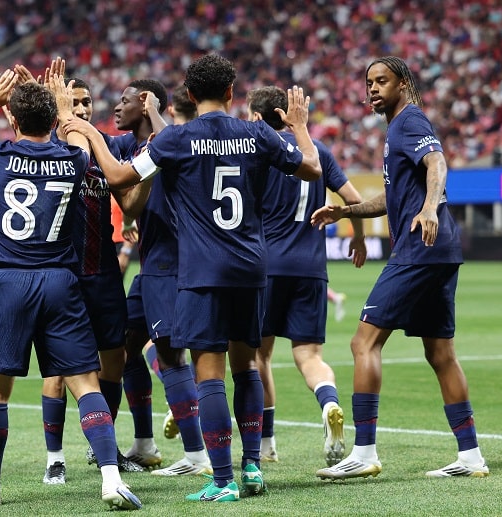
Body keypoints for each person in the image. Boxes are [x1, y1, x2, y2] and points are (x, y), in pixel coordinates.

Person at [64, 52, 322, 502]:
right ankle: (252, 467)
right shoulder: (258, 133)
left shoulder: (177, 139)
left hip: (203, 270)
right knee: (247, 367)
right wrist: (299, 125)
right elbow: (312, 167)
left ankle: (222, 480)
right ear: (231, 92)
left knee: (210, 375)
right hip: (252, 266)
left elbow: (119, 177)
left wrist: (88, 134)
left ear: (188, 93)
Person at [0, 63, 141, 509]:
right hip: (61, 282)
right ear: (53, 118)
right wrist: (63, 109)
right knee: (86, 384)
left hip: (10, 282)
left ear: (12, 119)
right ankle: (111, 480)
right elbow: (77, 136)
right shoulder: (73, 159)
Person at [311, 56, 489, 480]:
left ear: (403, 83)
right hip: (439, 251)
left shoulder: (409, 121)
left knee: (363, 343)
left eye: (382, 81)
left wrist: (429, 208)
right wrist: (346, 211)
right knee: (440, 352)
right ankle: (471, 457)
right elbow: (389, 199)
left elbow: (437, 163)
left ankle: (364, 452)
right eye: (369, 82)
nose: (373, 88)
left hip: (418, 250)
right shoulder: (397, 128)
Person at [246, 85, 366, 466]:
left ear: (257, 118)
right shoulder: (319, 152)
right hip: (312, 269)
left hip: (266, 267)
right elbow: (355, 201)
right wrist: (359, 238)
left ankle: (266, 444)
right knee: (310, 355)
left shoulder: (257, 152)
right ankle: (328, 403)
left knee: (259, 356)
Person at [36, 75, 144, 483]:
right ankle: (54, 458)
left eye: (86, 102)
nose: (81, 109)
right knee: (58, 371)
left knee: (114, 360)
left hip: (103, 273)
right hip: (63, 275)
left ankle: (104, 448)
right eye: (73, 102)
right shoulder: (45, 150)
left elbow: (142, 149)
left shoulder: (106, 146)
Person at [115, 81, 212, 477]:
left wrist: (156, 110)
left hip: (172, 264)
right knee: (124, 345)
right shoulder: (135, 147)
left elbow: (170, 142)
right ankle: (144, 443)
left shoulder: (173, 142)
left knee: (171, 355)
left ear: (144, 103)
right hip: (150, 266)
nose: (116, 107)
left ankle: (197, 456)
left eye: (124, 100)